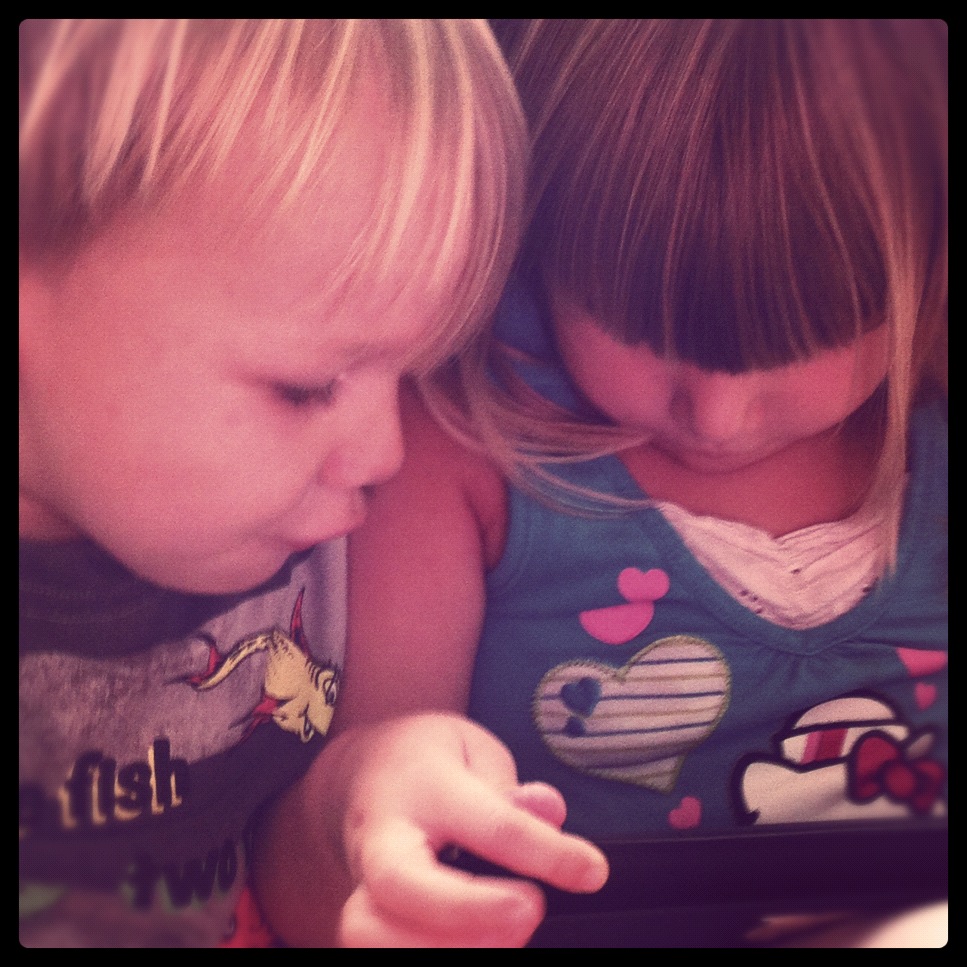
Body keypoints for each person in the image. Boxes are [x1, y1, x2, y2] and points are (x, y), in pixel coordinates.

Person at [295, 19, 947, 946]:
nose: (716, 417)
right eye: (643, 331)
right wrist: (371, 830)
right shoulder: (464, 441)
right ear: (539, 239)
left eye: (801, 342)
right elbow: (313, 868)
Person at [18, 17, 587, 946]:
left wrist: (369, 807)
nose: (386, 455)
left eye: (413, 375)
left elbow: (288, 873)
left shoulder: (287, 537)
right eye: (307, 386)